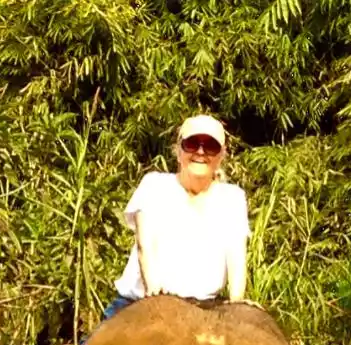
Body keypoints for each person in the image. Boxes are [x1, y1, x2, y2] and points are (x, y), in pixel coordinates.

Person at [104, 114, 250, 320]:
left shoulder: (233, 198)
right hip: (139, 302)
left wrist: (237, 303)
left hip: (204, 309)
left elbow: (236, 257)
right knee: (93, 341)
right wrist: (155, 293)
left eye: (210, 146)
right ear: (179, 150)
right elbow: (145, 247)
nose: (200, 152)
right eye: (192, 144)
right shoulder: (154, 185)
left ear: (222, 155)